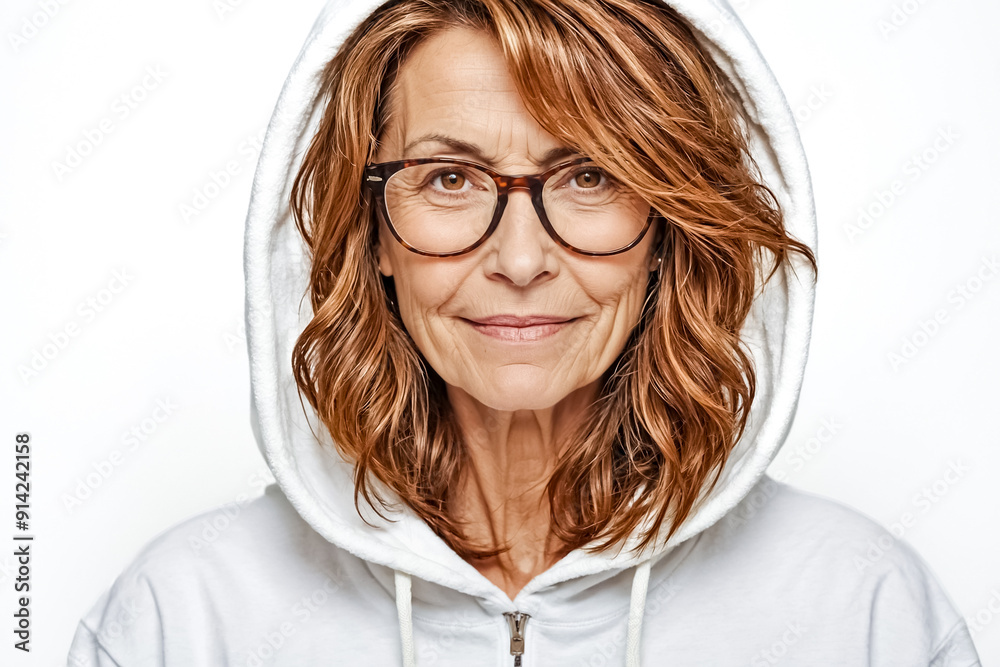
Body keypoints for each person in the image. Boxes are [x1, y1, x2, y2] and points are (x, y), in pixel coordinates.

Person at [68, 0, 982, 665]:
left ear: (667, 231)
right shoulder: (182, 616)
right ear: (374, 234)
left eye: (589, 176)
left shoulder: (863, 609)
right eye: (449, 179)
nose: (518, 258)